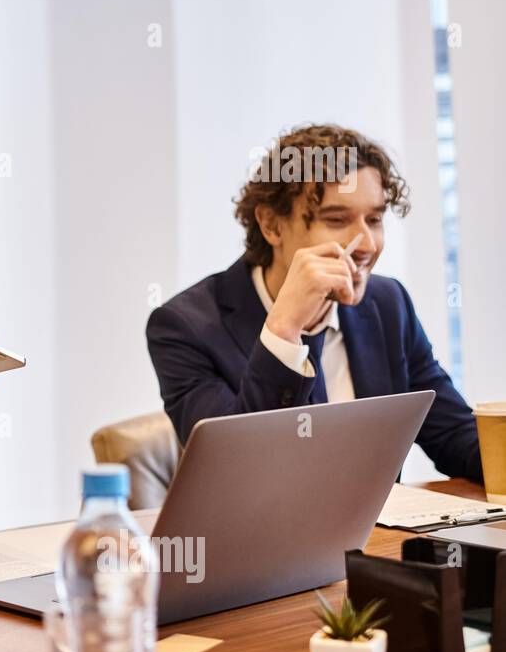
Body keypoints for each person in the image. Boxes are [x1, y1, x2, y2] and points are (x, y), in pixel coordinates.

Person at [146, 123, 482, 481]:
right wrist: (283, 330)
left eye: (375, 219)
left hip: (379, 536)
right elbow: (237, 474)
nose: (366, 244)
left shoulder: (388, 304)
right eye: (337, 220)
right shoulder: (185, 327)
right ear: (272, 225)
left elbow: (455, 437)